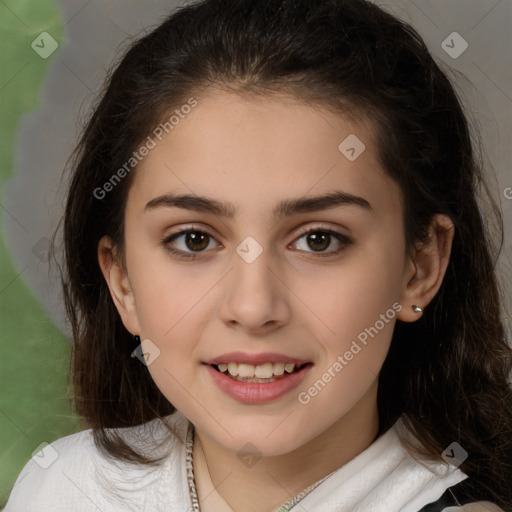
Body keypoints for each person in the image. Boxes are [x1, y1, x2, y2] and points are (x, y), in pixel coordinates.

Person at [5, 0, 512, 510]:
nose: (252, 307)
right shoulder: (61, 487)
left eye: (319, 239)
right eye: (194, 240)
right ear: (122, 283)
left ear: (419, 268)